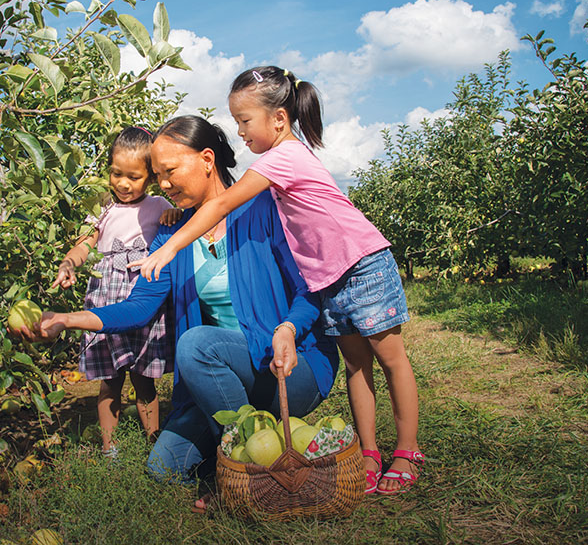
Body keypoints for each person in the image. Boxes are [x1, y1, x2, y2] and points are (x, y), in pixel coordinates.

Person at [14, 115, 339, 509]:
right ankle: (248, 438)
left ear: (206, 159)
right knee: (163, 467)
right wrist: (66, 320)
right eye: (157, 175)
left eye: (169, 172)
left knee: (196, 343)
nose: (163, 185)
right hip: (220, 377)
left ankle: (240, 468)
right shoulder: (172, 235)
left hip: (287, 366)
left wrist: (288, 328)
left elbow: (309, 288)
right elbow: (139, 307)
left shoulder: (262, 208)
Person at [129, 66, 423, 495]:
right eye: (237, 123)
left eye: (245, 122)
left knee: (391, 360)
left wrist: (171, 246)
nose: (240, 133)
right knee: (358, 366)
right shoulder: (275, 160)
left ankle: (407, 450)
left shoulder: (283, 157)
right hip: (328, 277)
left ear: (279, 120)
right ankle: (369, 452)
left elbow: (224, 202)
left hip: (361, 265)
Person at [50, 126, 175, 458]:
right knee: (110, 379)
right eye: (116, 174)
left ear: (149, 176)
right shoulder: (102, 205)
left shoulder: (161, 205)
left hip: (140, 295)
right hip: (105, 295)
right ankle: (110, 447)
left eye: (133, 177)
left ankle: (154, 440)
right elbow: (85, 243)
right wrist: (69, 263)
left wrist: (173, 216)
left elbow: (177, 227)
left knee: (144, 379)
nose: (123, 183)